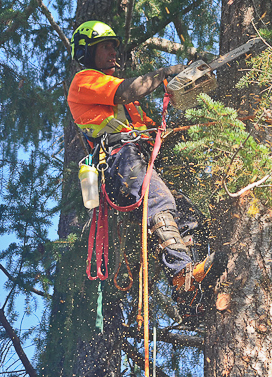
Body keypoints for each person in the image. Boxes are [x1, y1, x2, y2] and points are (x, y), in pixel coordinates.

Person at [67, 20, 224, 318]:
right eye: (106, 47)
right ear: (88, 52)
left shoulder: (125, 105)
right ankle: (181, 272)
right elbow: (128, 91)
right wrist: (166, 73)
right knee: (159, 201)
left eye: (114, 46)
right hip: (117, 160)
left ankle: (189, 297)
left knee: (185, 212)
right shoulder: (85, 81)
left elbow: (152, 135)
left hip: (133, 157)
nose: (114, 52)